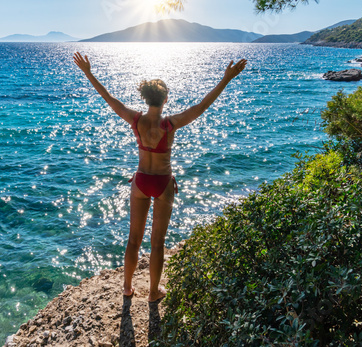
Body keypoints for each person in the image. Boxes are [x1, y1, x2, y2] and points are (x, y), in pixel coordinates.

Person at [73, 52, 247, 302]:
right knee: (157, 243)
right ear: (166, 99)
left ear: (145, 98)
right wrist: (226, 79)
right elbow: (201, 106)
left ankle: (127, 288)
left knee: (133, 240)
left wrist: (88, 72)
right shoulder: (170, 124)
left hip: (141, 181)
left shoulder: (136, 120)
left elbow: (109, 99)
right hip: (163, 183)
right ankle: (154, 292)